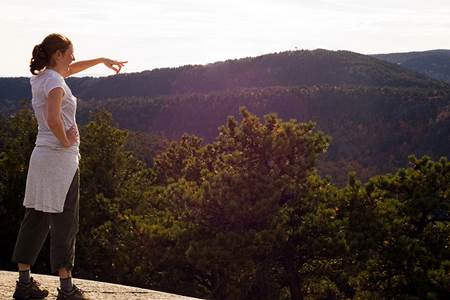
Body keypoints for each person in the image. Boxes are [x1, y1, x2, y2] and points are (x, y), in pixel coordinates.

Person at [11, 33, 127, 300]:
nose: (73, 58)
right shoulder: (54, 81)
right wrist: (65, 141)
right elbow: (53, 118)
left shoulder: (44, 77)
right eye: (70, 52)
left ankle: (24, 284)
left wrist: (101, 61)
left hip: (41, 156)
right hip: (59, 161)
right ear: (58, 54)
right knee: (65, 220)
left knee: (35, 217)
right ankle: (66, 288)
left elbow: (70, 71)